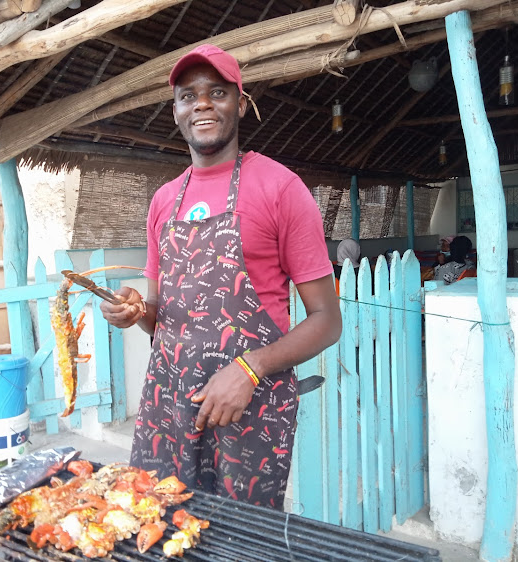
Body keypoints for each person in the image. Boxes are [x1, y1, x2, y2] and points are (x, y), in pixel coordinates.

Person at [99, 44, 341, 510]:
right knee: (160, 523)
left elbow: (327, 320)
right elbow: (159, 318)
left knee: (239, 541)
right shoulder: (163, 201)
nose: (202, 104)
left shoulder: (280, 188)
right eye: (188, 96)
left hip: (248, 410)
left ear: (241, 103)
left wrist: (250, 369)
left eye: (217, 92)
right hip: (168, 405)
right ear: (175, 112)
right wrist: (134, 312)